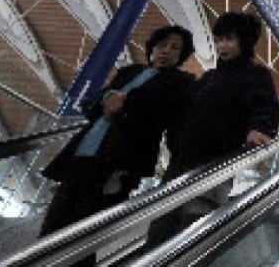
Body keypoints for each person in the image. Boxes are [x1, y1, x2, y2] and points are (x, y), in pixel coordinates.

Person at [40, 25, 196, 264]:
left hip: (119, 162)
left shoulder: (181, 81)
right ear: (152, 48)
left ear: (181, 56)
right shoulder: (130, 71)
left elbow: (161, 110)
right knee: (54, 224)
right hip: (84, 154)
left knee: (86, 231)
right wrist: (106, 99)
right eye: (162, 45)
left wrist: (125, 101)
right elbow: (91, 102)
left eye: (175, 48)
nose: (166, 51)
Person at [146, 11, 279, 247]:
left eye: (229, 39)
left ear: (244, 41)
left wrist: (260, 129)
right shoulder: (208, 78)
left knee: (192, 228)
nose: (222, 46)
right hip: (180, 163)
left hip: (214, 164)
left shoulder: (255, 75)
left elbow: (266, 105)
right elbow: (183, 113)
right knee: (161, 228)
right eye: (218, 40)